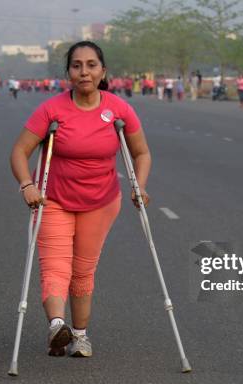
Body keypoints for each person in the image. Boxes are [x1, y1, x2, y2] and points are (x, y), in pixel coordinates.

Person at [10, 41, 151, 358]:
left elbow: (141, 153)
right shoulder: (52, 110)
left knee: (84, 272)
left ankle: (80, 335)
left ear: (103, 71)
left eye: (90, 65)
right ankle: (57, 325)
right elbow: (20, 151)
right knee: (56, 267)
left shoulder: (118, 109)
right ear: (68, 72)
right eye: (76, 65)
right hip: (53, 199)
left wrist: (138, 186)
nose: (84, 71)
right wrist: (26, 184)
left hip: (101, 202)